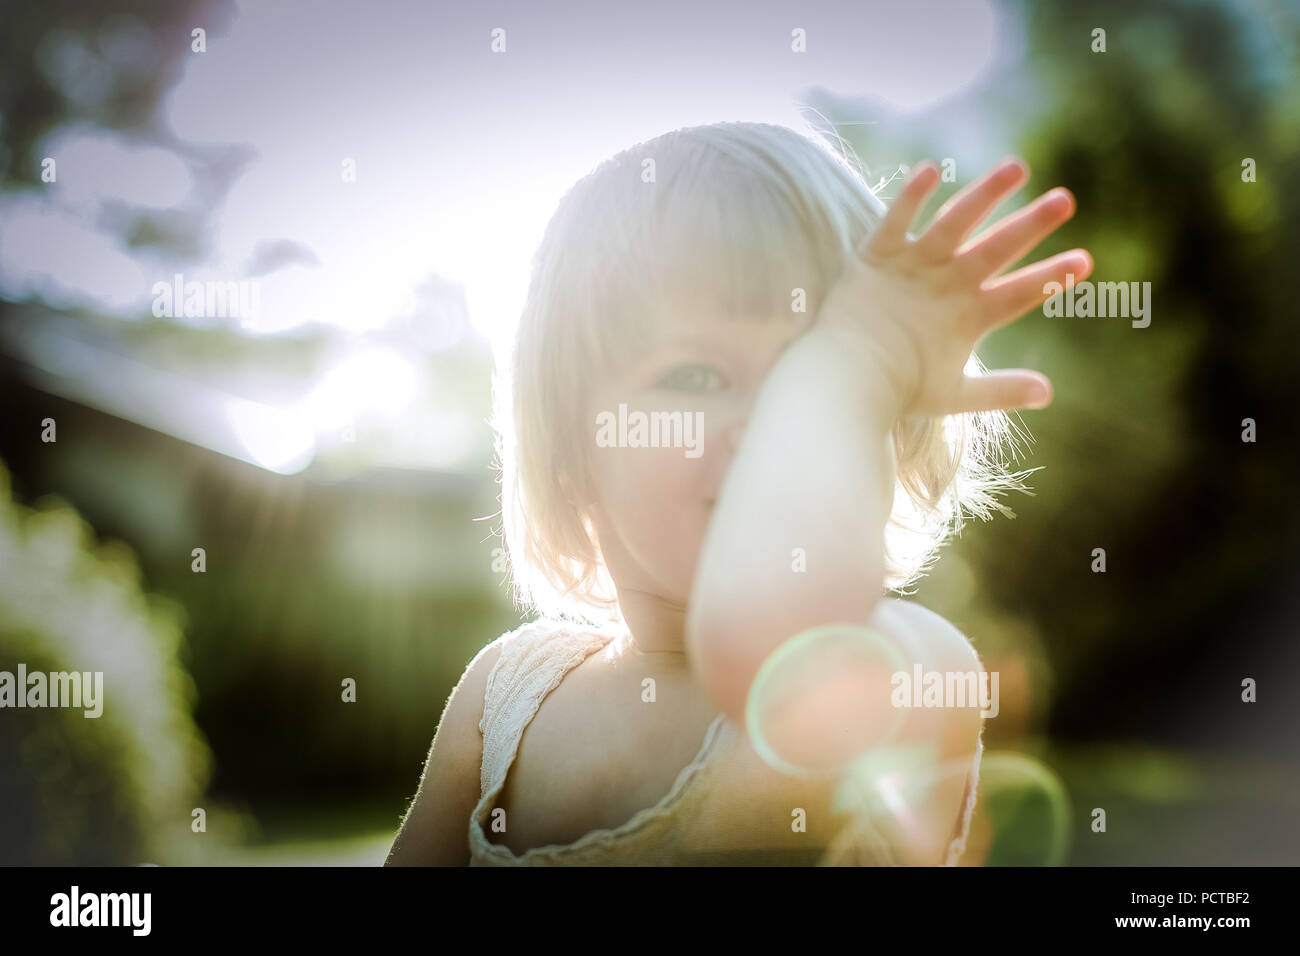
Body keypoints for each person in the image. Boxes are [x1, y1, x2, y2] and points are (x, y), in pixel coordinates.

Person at [386, 121, 1090, 866]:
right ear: (571, 450)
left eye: (817, 377)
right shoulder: (503, 700)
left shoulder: (909, 667)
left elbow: (760, 647)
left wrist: (857, 361)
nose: (770, 427)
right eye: (694, 376)